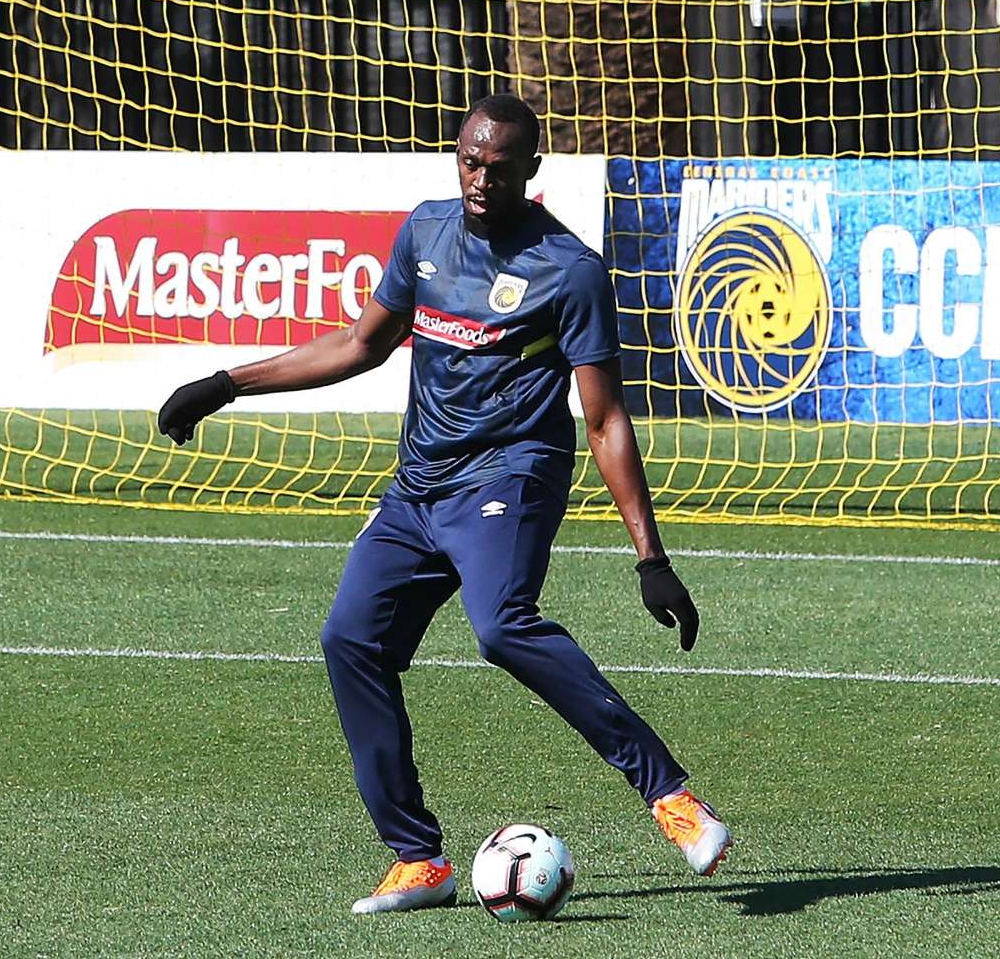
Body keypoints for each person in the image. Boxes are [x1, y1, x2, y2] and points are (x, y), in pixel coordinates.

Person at [156, 93, 731, 915]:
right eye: (468, 160)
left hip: (510, 477)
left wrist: (652, 557)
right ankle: (417, 859)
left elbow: (602, 418)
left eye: (498, 167)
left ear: (531, 171)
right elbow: (361, 344)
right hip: (419, 486)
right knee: (350, 639)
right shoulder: (424, 232)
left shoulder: (570, 272)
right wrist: (227, 383)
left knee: (501, 627)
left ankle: (672, 798)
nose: (478, 179)